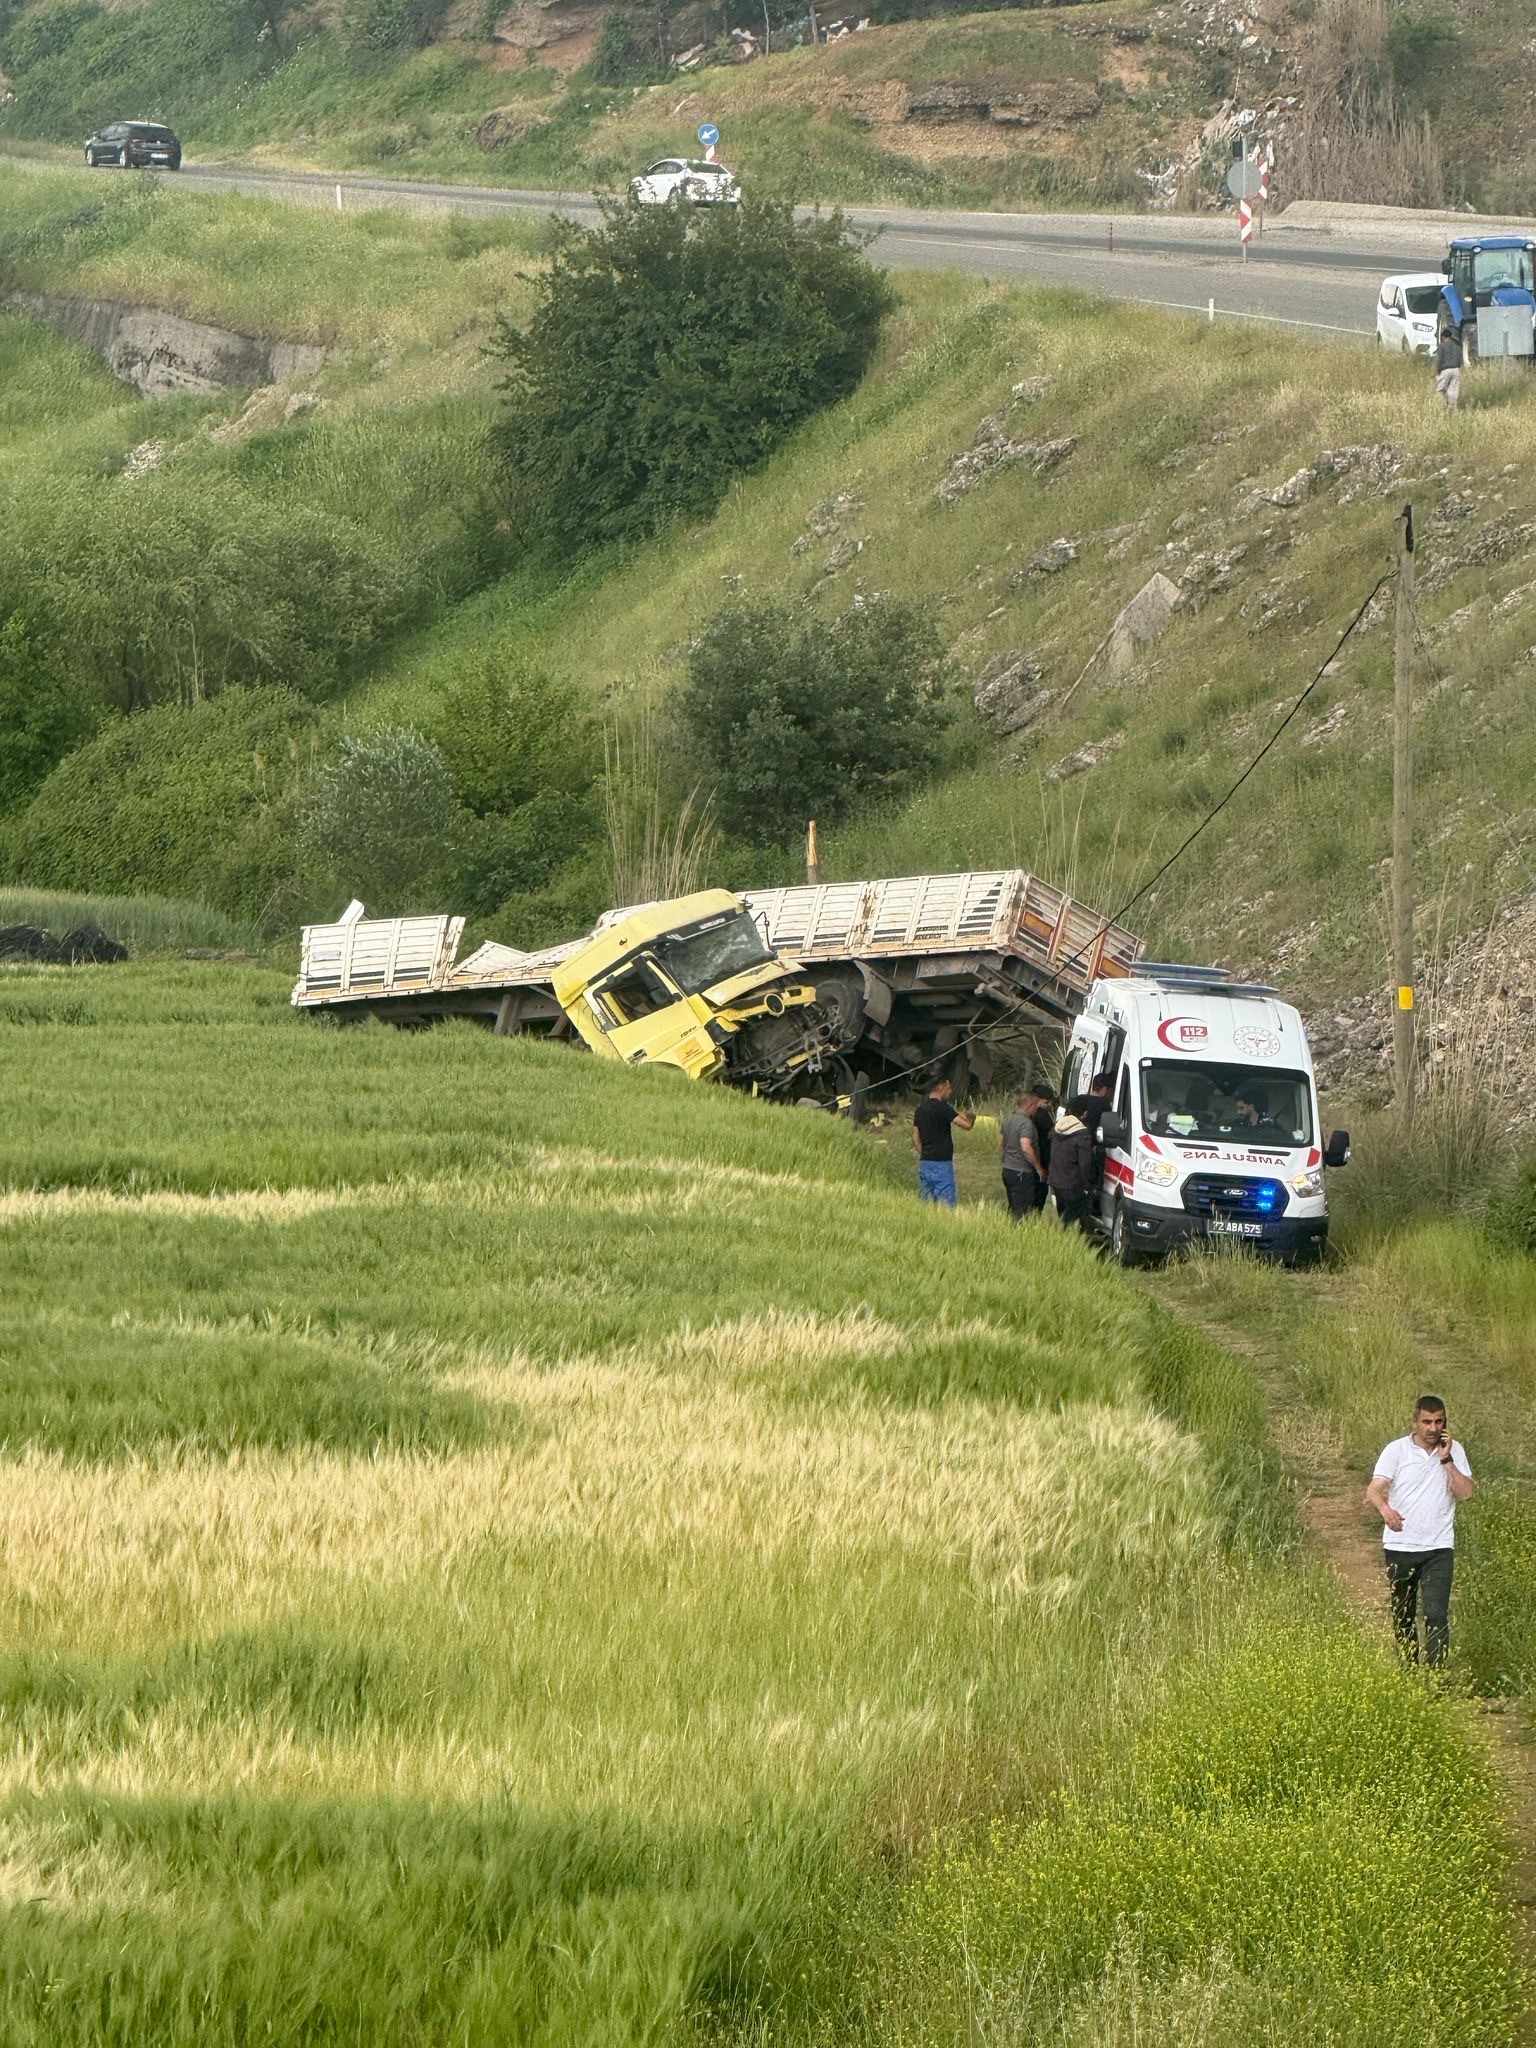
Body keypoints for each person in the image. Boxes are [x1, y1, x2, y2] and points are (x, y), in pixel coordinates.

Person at [1365, 1394, 1474, 1668]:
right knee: (1403, 1614)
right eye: (1427, 1422)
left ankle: (1437, 1676)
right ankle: (1409, 1672)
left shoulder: (1454, 1451)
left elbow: (1465, 1493)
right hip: (1401, 1547)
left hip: (1439, 1547)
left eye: (1438, 1421)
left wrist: (1447, 1460)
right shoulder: (1396, 1450)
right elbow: (1374, 1489)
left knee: (1436, 1614)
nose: (1433, 1428)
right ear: (1415, 1422)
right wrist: (1386, 1511)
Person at [912, 1076, 974, 1207]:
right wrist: (971, 1118)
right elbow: (966, 1125)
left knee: (927, 1204)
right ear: (941, 1087)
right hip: (942, 1162)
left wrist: (924, 1154)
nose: (950, 1091)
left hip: (925, 1163)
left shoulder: (919, 1110)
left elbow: (916, 1139)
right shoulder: (944, 1108)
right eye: (949, 1088)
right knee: (946, 1205)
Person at [1047, 1102, 1095, 1229]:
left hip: (1056, 1181)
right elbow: (1085, 1163)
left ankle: (1059, 1235)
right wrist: (1087, 1184)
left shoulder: (1056, 1129)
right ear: (1084, 1114)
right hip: (1073, 1183)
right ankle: (1066, 1236)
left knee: (1062, 1213)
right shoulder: (1082, 1134)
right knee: (1070, 1218)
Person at [999, 1090, 1045, 1220]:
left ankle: (1010, 1228)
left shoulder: (1008, 1120)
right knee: (1023, 1209)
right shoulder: (1026, 1123)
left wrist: (1005, 1161)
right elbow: (1026, 1147)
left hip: (1008, 1169)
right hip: (1022, 1172)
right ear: (1030, 1105)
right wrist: (1038, 1167)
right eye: (1036, 1107)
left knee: (1013, 1205)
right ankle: (1020, 1230)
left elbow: (1001, 1146)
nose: (1036, 1111)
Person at [1028, 1084, 1056, 1212]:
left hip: (1026, 1163)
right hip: (1041, 1159)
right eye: (1046, 1102)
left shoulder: (1024, 1115)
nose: (1049, 1105)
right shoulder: (1042, 1115)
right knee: (1039, 1196)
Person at [1435, 321, 1463, 411]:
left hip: (1445, 370)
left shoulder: (1442, 346)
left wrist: (1437, 370)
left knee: (1440, 389)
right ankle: (1453, 409)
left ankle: (1442, 408)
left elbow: (1439, 359)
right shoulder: (1457, 346)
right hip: (1456, 370)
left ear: (1443, 337)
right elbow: (1460, 360)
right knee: (1453, 391)